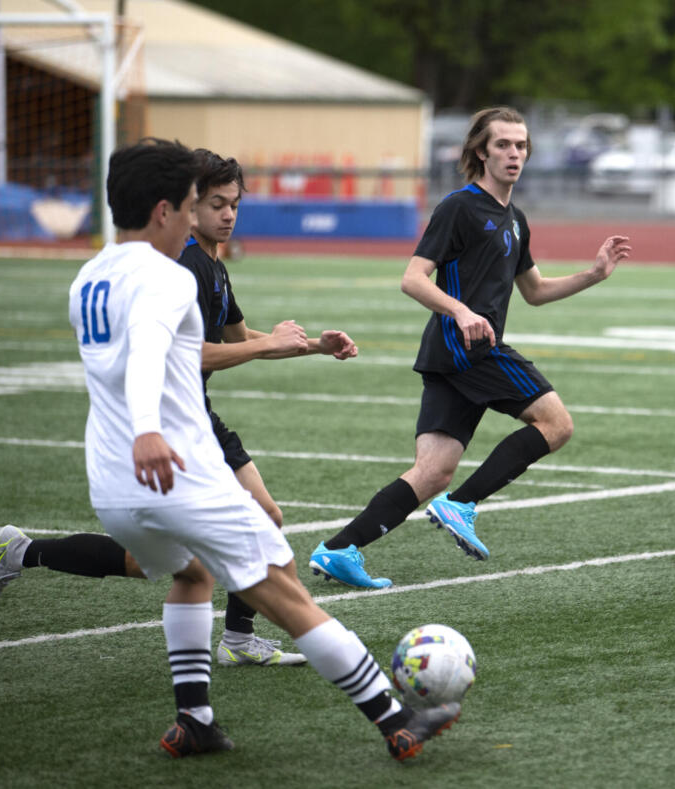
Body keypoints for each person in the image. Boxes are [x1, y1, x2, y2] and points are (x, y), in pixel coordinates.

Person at [59, 137, 458, 758]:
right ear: (167, 210)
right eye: (195, 203)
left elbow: (155, 353)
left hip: (113, 482)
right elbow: (151, 356)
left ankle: (194, 720)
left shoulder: (90, 275)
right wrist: (148, 428)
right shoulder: (165, 277)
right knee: (283, 590)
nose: (200, 216)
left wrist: (303, 344)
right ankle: (396, 718)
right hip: (175, 469)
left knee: (191, 575)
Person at [0, 149, 359, 670]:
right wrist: (266, 348)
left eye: (235, 205)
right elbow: (192, 353)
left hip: (199, 418)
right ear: (186, 206)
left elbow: (235, 336)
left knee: (255, 524)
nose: (228, 214)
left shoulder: (214, 263)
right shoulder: (185, 267)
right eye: (216, 204)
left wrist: (312, 344)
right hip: (171, 423)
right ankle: (26, 552)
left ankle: (237, 639)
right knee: (176, 562)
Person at [308, 106, 631, 589]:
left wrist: (594, 274)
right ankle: (462, 504)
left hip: (452, 356)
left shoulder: (516, 219)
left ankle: (338, 550)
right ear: (481, 151)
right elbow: (412, 279)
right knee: (556, 424)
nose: (514, 154)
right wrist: (460, 311)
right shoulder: (459, 207)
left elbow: (535, 291)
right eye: (503, 144)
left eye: (521, 145)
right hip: (465, 349)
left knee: (433, 472)